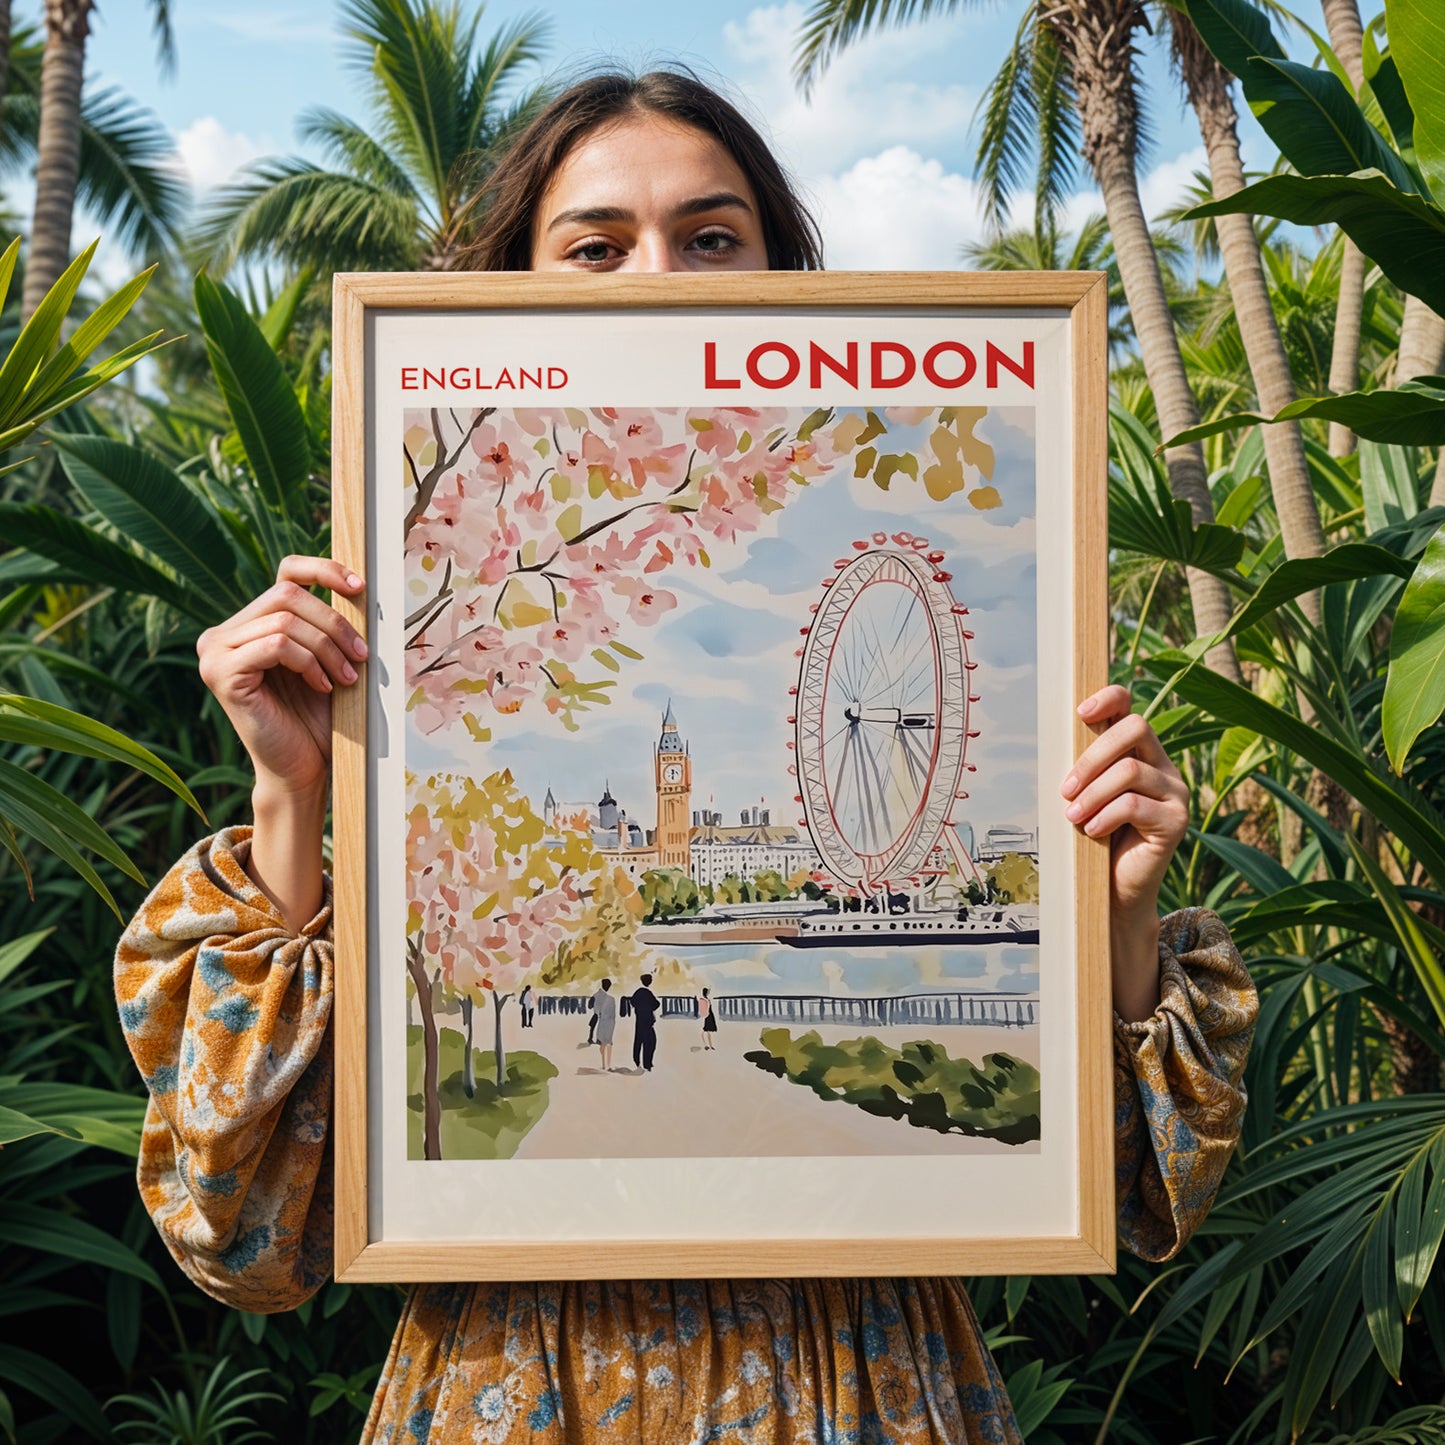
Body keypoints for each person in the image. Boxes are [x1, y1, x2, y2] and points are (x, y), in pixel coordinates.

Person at [114, 67, 1256, 1444]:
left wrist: (1111, 911)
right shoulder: (403, 698)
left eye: (711, 237)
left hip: (861, 1384)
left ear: (786, 275)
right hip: (524, 1389)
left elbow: (1142, 1202)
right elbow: (245, 1241)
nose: (657, 278)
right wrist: (295, 789)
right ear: (502, 290)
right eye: (594, 246)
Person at [628, 972, 661, 1072]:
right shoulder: (648, 993)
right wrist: (649, 1008)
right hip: (647, 1022)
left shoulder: (638, 992)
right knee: (650, 1042)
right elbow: (657, 1004)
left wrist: (639, 1008)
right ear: (649, 982)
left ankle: (637, 1061)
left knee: (638, 1041)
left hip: (639, 1021)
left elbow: (632, 1002)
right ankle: (647, 1064)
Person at [589, 977, 616, 1071]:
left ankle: (604, 1064)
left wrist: (597, 1012)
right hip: (609, 1021)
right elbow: (613, 1015)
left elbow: (590, 1006)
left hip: (601, 1020)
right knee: (608, 1042)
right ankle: (607, 1064)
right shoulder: (611, 999)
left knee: (603, 1043)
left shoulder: (596, 995)